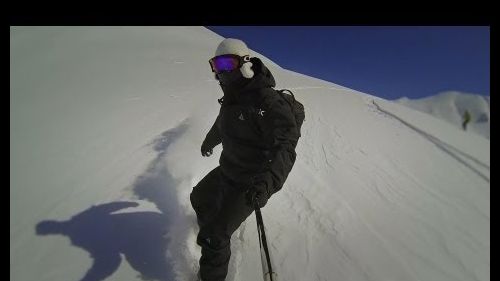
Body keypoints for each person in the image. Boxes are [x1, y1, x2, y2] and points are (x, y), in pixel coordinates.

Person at [190, 38, 300, 281]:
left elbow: (286, 146)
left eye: (228, 63)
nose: (222, 72)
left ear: (245, 64)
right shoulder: (231, 98)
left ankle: (212, 260)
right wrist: (209, 142)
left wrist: (267, 183)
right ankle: (214, 226)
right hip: (227, 169)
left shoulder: (268, 102)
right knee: (198, 197)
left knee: (215, 236)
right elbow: (222, 125)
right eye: (217, 66)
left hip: (250, 182)